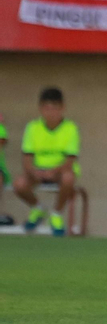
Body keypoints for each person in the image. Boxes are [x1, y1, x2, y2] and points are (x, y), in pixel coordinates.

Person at [14, 87, 79, 237]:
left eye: (55, 109)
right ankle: (37, 208)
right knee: (19, 184)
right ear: (41, 109)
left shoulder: (71, 128)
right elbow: (27, 158)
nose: (51, 113)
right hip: (38, 171)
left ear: (62, 108)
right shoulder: (33, 127)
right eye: (47, 109)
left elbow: (70, 160)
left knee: (69, 178)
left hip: (60, 172)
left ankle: (56, 214)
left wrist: (53, 172)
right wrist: (33, 171)